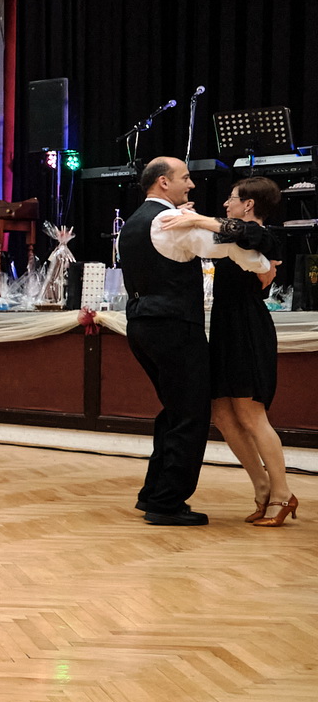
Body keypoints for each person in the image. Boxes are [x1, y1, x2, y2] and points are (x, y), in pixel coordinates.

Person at [121, 157, 271, 526]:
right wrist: (263, 266)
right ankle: (167, 503)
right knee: (191, 414)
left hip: (140, 324)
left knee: (174, 411)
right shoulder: (171, 220)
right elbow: (227, 244)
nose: (191, 185)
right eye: (185, 178)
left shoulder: (134, 221)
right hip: (174, 326)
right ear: (163, 183)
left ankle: (153, 493)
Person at [162, 177, 295, 525]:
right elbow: (215, 235)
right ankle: (262, 485)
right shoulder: (231, 235)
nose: (226, 203)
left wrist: (196, 218)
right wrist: (183, 216)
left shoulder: (265, 236)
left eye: (232, 198)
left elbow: (240, 231)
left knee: (251, 415)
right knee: (221, 414)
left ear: (249, 204)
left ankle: (282, 494)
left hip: (248, 328)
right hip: (224, 328)